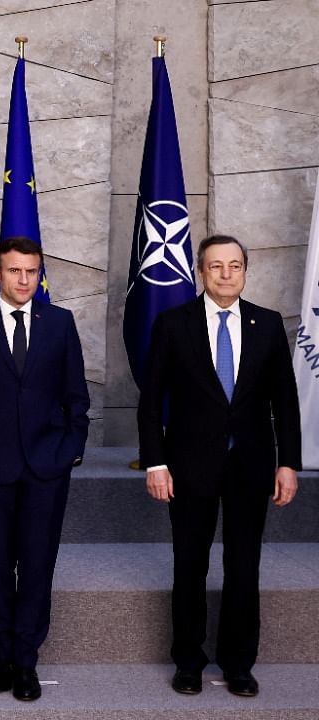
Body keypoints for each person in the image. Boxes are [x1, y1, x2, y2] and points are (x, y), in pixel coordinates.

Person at [138, 234, 300, 698]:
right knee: (189, 564)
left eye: (234, 266)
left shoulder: (268, 324)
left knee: (244, 566)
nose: (226, 274)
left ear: (245, 271)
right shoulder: (173, 324)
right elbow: (151, 402)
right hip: (188, 466)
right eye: (216, 266)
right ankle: (188, 662)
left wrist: (289, 463)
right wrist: (156, 462)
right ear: (201, 272)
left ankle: (238, 663)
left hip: (252, 466)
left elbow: (285, 403)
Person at [0, 236, 89, 702]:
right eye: (15, 271)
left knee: (39, 565)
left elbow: (77, 399)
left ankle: (27, 661)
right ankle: (2, 655)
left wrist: (70, 451)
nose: (24, 280)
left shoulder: (60, 324)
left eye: (32, 272)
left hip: (47, 468)